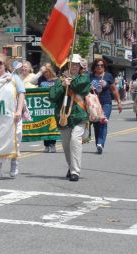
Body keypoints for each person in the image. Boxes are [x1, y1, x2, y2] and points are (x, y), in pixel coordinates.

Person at [48, 54, 91, 182]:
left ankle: (75, 172)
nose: (74, 66)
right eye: (72, 64)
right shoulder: (60, 80)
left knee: (75, 141)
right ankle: (71, 166)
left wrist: (69, 83)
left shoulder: (84, 77)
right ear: (68, 65)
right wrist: (62, 85)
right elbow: (52, 96)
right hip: (63, 117)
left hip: (79, 115)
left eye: (77, 64)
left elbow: (80, 86)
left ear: (80, 66)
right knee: (66, 145)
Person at [0, 53, 25, 180]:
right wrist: (1, 82)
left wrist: (18, 111)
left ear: (5, 65)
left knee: (15, 142)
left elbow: (21, 93)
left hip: (13, 116)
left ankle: (14, 162)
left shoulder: (14, 77)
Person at [90, 58, 123, 154]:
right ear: (94, 67)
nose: (100, 67)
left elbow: (114, 90)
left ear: (104, 67)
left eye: (101, 65)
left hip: (106, 103)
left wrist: (119, 102)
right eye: (97, 65)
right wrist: (90, 87)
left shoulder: (108, 76)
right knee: (96, 124)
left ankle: (100, 143)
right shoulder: (90, 77)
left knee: (103, 121)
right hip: (94, 104)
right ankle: (98, 144)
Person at [37, 63, 59, 153]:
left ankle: (53, 144)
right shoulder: (40, 79)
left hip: (53, 105)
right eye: (44, 72)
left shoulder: (56, 80)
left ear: (50, 71)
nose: (45, 73)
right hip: (43, 106)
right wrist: (39, 72)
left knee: (53, 126)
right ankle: (46, 145)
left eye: (46, 71)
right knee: (45, 126)